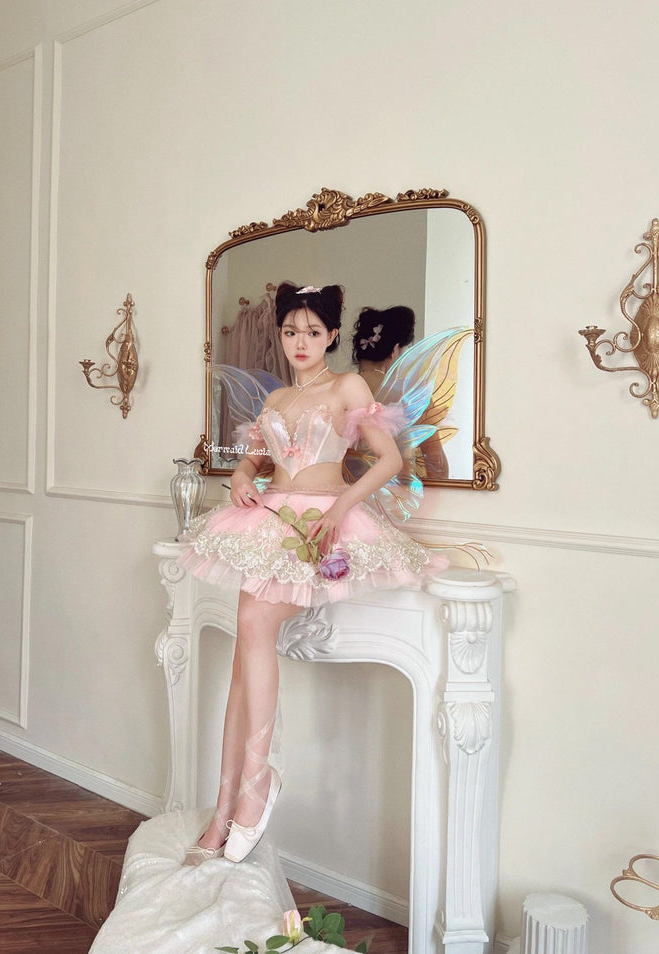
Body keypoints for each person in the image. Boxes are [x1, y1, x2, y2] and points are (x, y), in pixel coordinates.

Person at [177, 282, 441, 866]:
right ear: (280, 334)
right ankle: (224, 810)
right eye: (291, 331)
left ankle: (256, 787)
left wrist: (343, 508)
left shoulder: (348, 387)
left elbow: (390, 459)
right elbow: (254, 460)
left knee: (252, 627)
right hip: (270, 518)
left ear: (332, 336)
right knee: (244, 657)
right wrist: (240, 478)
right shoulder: (275, 399)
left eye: (313, 332)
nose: (300, 342)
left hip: (323, 520)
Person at [353, 306, 450, 479]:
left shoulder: (338, 389)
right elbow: (437, 465)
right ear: (395, 350)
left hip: (346, 490)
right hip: (396, 491)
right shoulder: (411, 395)